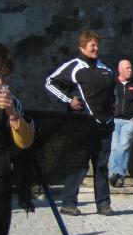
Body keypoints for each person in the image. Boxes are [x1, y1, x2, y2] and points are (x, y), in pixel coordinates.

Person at [45, 30, 115, 216]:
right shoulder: (74, 66)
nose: (96, 48)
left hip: (105, 124)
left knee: (101, 165)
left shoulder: (106, 68)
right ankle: (68, 202)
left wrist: (113, 108)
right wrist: (68, 100)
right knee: (79, 164)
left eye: (97, 45)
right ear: (82, 47)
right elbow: (50, 82)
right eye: (92, 45)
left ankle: (103, 203)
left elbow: (112, 92)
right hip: (83, 124)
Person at [0, 42, 34, 235]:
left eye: (5, 77)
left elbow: (25, 142)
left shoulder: (13, 103)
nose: (0, 82)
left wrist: (12, 115)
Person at [108, 60, 133, 189]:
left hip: (129, 121)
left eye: (131, 68)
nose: (130, 70)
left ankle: (115, 173)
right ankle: (118, 177)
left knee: (124, 145)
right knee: (114, 147)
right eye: (127, 68)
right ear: (120, 70)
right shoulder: (112, 84)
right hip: (113, 120)